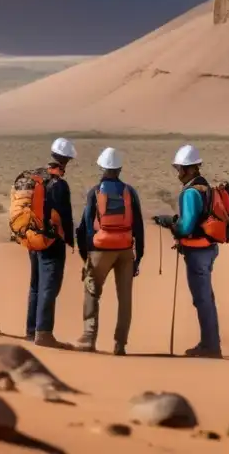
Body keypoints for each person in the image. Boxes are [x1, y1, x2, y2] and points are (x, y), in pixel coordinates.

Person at [153, 144, 223, 358]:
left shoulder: (192, 192)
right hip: (208, 248)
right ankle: (211, 343)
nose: (178, 173)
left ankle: (210, 346)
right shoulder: (206, 187)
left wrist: (170, 223)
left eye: (180, 169)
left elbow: (187, 226)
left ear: (190, 169)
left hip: (198, 251)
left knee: (202, 299)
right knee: (206, 298)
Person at [74, 147, 144, 356]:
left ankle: (89, 336)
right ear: (120, 169)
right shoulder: (130, 192)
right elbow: (138, 226)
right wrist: (138, 256)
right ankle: (120, 344)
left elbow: (86, 225)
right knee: (125, 299)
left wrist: (86, 256)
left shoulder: (95, 192)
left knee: (92, 291)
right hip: (125, 250)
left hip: (100, 249)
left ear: (102, 168)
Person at [25, 136, 77, 349]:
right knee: (49, 286)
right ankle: (44, 332)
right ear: (66, 161)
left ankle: (31, 330)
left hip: (32, 239)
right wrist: (69, 240)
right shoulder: (59, 184)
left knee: (36, 285)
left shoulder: (36, 177)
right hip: (50, 241)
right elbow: (62, 216)